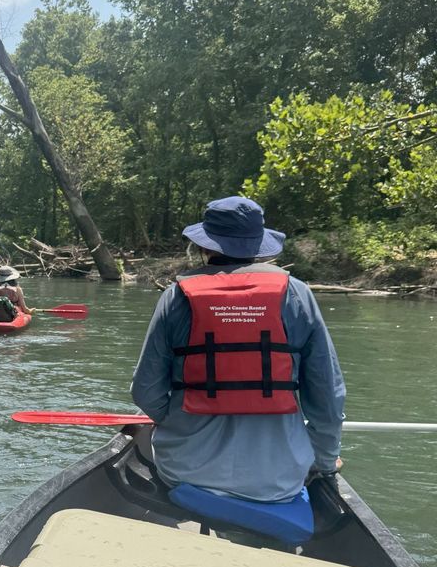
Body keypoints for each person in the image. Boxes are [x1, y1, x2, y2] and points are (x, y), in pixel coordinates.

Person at [131, 196, 345, 506]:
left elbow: (145, 392)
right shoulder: (297, 294)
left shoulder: (175, 298)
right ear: (259, 246)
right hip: (277, 482)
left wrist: (176, 418)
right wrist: (324, 462)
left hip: (184, 472)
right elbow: (328, 399)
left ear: (204, 246)